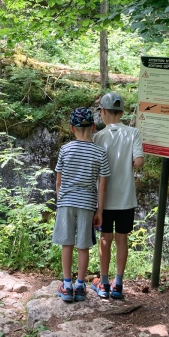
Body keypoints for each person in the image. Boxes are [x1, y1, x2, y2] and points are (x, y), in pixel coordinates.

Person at [52, 107, 110, 302]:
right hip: (87, 204)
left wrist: (60, 201)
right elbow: (102, 185)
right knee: (83, 245)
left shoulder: (65, 149)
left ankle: (66, 285)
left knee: (66, 244)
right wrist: (99, 210)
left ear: (71, 128)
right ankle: (80, 285)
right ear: (93, 127)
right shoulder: (99, 152)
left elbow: (58, 181)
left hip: (66, 202)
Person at [91, 92, 144, 299]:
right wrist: (130, 163)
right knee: (122, 239)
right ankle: (118, 283)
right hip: (126, 198)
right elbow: (139, 161)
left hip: (104, 200)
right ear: (121, 112)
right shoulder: (133, 133)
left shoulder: (98, 137)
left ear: (103, 112)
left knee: (105, 239)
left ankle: (103, 283)